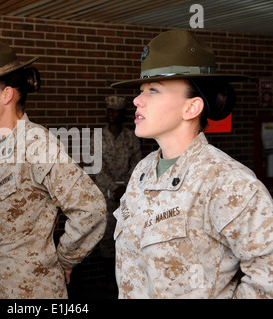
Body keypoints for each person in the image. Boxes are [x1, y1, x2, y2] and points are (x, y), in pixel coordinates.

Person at [111, 29, 273, 298]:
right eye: (141, 90)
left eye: (153, 90)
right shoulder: (143, 170)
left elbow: (268, 274)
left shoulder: (227, 181)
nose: (137, 100)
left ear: (191, 108)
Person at [0, 40, 107, 299]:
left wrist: (65, 259)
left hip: (33, 292)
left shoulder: (36, 143)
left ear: (7, 95)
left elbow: (90, 208)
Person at [92, 95, 142, 293]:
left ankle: (127, 278)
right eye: (109, 111)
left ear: (122, 114)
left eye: (116, 112)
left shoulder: (131, 136)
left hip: (128, 195)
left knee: (129, 236)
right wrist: (113, 188)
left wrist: (125, 188)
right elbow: (96, 168)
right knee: (106, 239)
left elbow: (138, 164)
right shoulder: (98, 137)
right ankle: (109, 281)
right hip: (106, 196)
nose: (112, 115)